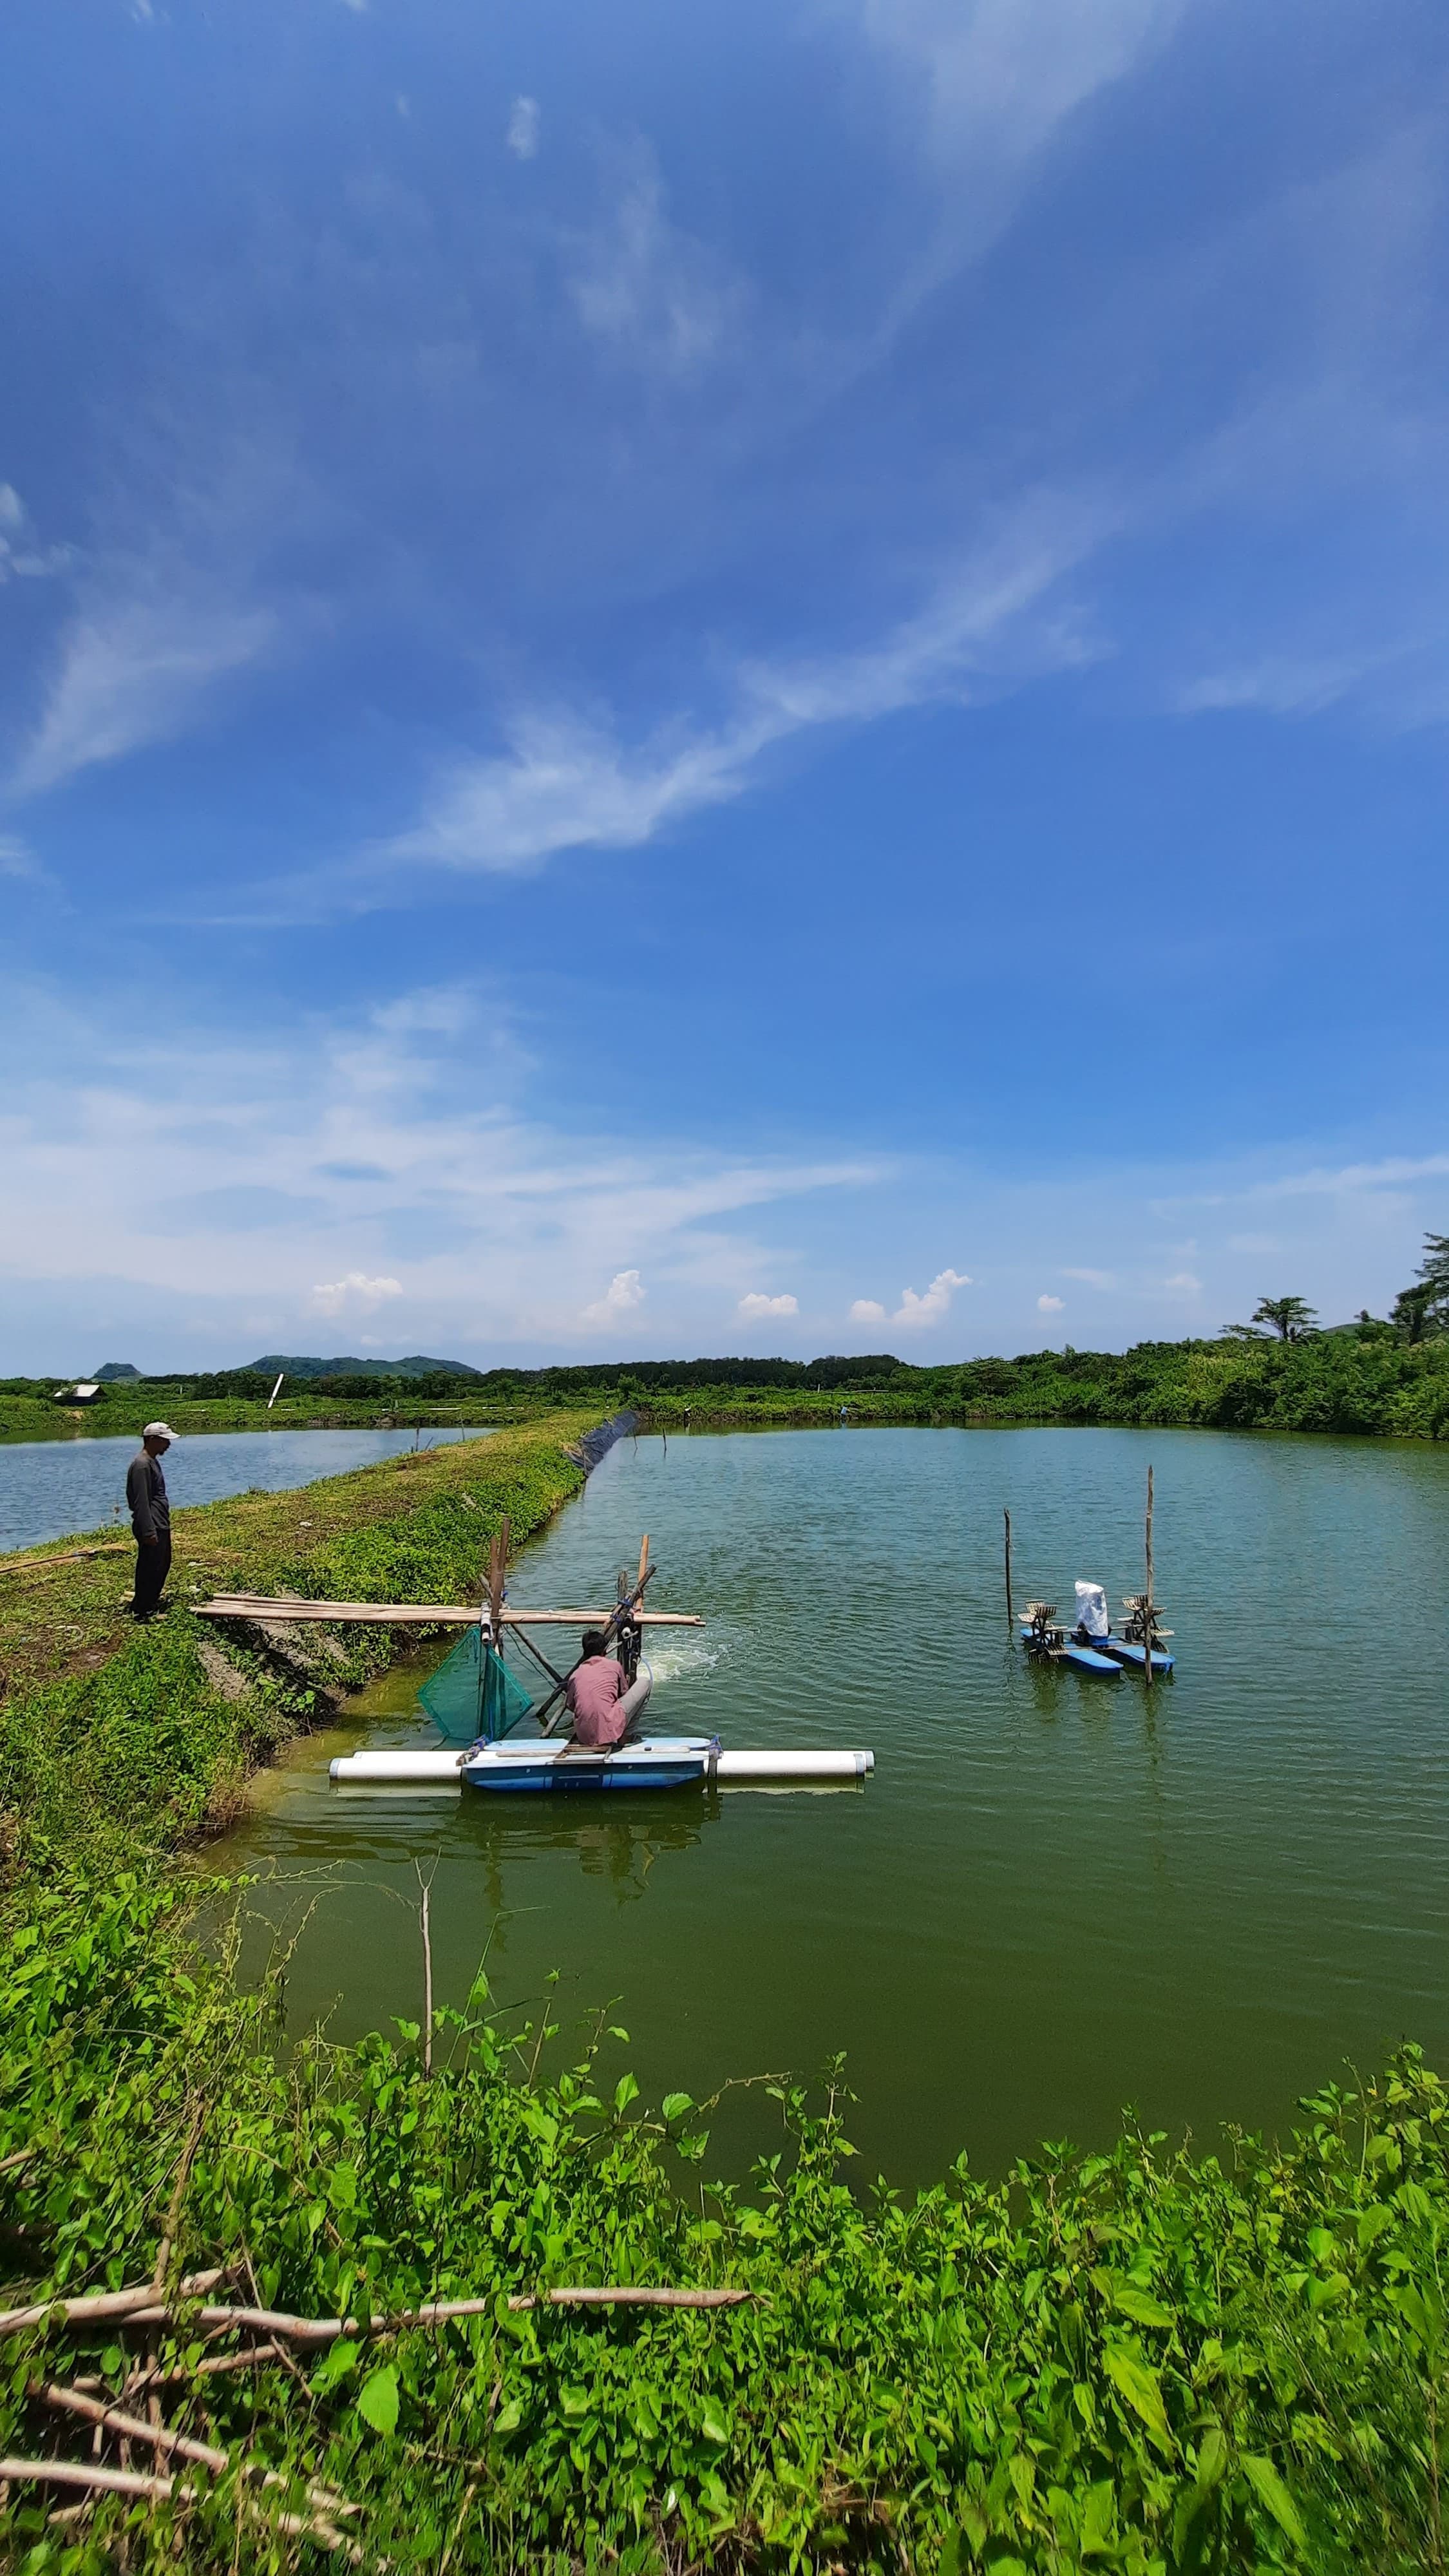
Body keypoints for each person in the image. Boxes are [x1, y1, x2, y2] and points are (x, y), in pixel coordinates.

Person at [564, 1627, 652, 1749]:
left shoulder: (576, 1674)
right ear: (604, 1650)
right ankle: (625, 1737)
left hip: (584, 1737)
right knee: (645, 1682)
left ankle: (597, 1729)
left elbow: (570, 1705)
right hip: (609, 1728)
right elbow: (624, 1693)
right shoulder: (614, 1666)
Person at [127, 1421, 178, 1620]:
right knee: (150, 1567)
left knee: (161, 1564)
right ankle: (142, 1610)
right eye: (165, 1441)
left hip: (159, 1522)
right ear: (153, 1440)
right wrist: (148, 1531)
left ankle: (148, 1602)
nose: (168, 1445)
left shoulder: (152, 1461)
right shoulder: (141, 1465)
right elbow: (141, 1502)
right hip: (152, 1525)